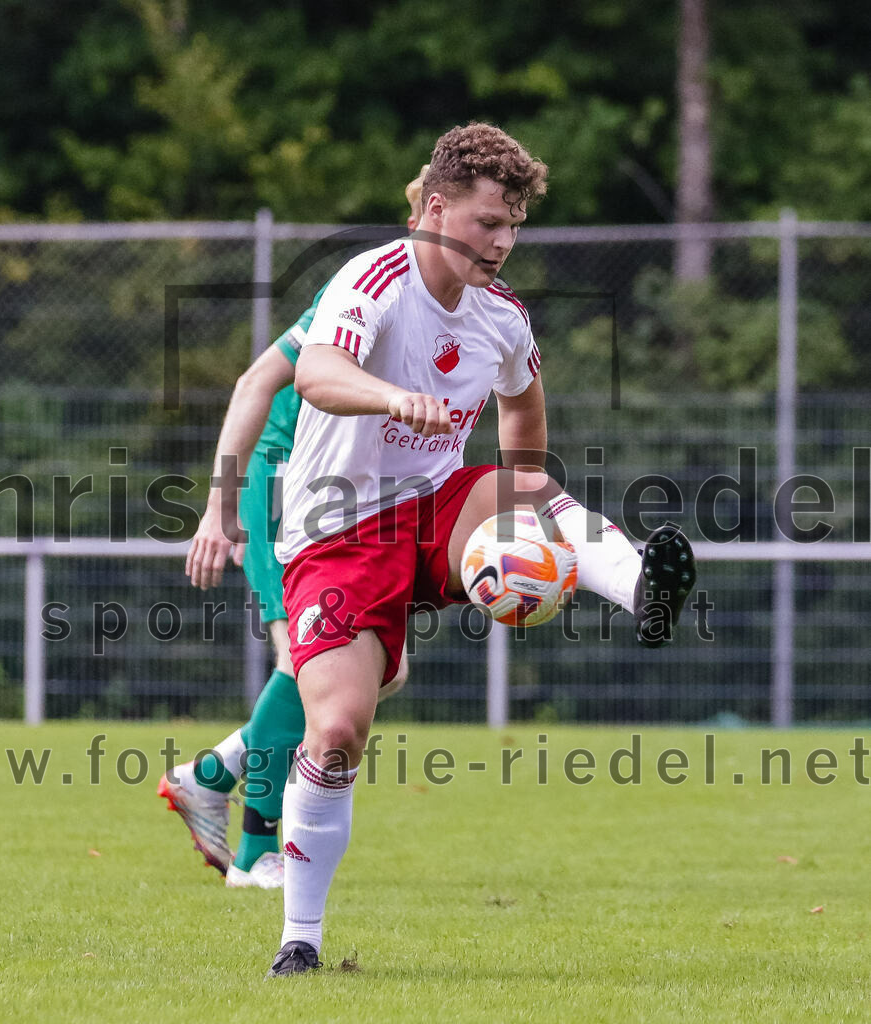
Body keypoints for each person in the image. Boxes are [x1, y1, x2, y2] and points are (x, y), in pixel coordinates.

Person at [267, 123, 697, 975]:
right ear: (437, 208)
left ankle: (638, 584)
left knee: (526, 486)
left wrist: (526, 497)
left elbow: (523, 409)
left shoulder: (502, 316)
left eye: (513, 227)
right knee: (340, 729)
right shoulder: (375, 279)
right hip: (337, 534)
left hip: (435, 509)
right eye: (487, 222)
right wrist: (393, 397)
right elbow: (314, 373)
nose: (502, 243)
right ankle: (300, 941)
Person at [156, 169, 428, 888]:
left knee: (385, 671)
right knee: (304, 668)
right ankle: (253, 853)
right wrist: (218, 507)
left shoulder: (454, 310)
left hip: (340, 505)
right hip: (285, 490)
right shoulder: (366, 289)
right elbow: (255, 383)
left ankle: (212, 774)